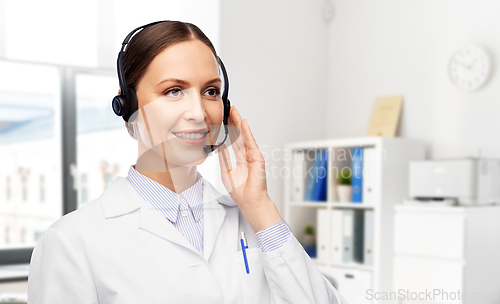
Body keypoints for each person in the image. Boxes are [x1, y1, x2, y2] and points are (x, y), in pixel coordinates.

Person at [27, 20, 347, 304]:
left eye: (210, 91)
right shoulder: (71, 242)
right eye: (174, 91)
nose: (198, 112)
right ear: (128, 108)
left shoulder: (253, 221)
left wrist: (260, 208)